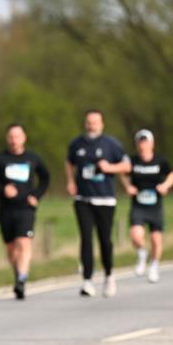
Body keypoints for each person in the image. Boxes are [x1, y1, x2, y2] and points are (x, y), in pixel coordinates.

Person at [65, 109, 130, 297]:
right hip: (83, 199)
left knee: (105, 239)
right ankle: (87, 280)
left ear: (101, 124)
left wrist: (110, 167)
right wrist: (70, 181)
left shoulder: (111, 144)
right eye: (89, 122)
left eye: (95, 122)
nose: (91, 126)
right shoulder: (77, 144)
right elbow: (69, 162)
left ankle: (109, 275)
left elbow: (126, 166)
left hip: (105, 199)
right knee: (86, 237)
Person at [0, 123, 50, 299]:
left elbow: (45, 178)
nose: (14, 140)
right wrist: (3, 189)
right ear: (7, 139)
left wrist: (36, 195)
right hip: (6, 209)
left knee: (24, 242)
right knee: (11, 248)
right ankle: (17, 274)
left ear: (24, 138)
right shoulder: (0, 159)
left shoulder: (32, 158)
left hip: (25, 208)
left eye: (17, 136)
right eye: (11, 137)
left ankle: (22, 279)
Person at [122, 129, 173, 283]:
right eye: (140, 142)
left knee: (156, 239)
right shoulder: (132, 161)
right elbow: (123, 174)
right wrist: (128, 186)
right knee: (136, 236)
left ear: (151, 144)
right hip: (138, 205)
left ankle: (154, 266)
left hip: (155, 206)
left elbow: (172, 174)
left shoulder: (160, 161)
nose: (143, 145)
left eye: (145, 142)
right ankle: (142, 253)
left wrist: (165, 186)